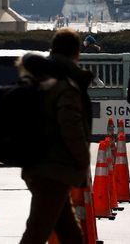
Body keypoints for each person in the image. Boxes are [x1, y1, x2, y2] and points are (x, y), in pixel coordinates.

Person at [19, 28, 94, 244]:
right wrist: (82, 159)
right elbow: (70, 128)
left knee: (70, 234)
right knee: (36, 233)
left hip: (39, 165)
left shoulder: (42, 79)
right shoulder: (65, 85)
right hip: (54, 169)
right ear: (76, 53)